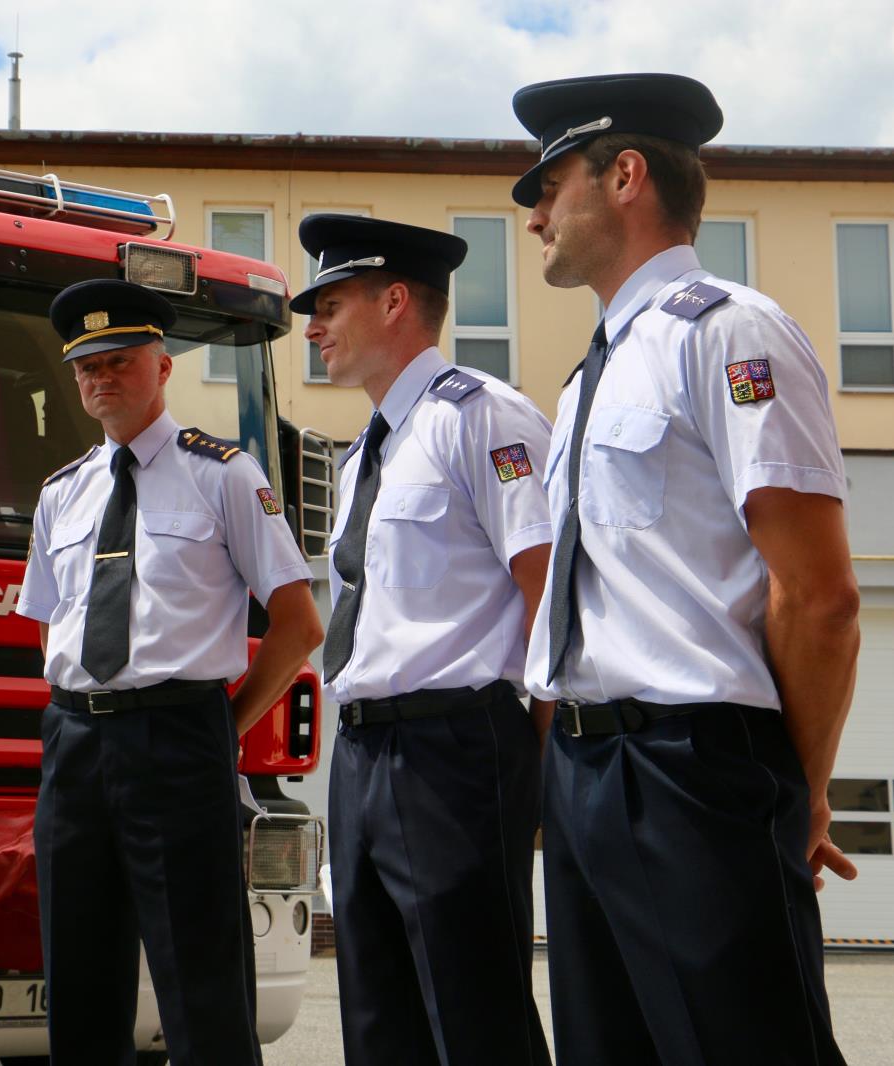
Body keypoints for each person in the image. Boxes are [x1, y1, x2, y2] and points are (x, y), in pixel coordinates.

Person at [512, 72, 860, 1066]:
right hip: (582, 772)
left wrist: (801, 786)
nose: (535, 215)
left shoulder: (730, 333)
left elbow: (820, 596)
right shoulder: (590, 377)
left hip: (694, 769)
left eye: (548, 184)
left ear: (624, 175)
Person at [16, 279, 323, 1066]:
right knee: (78, 981)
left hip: (178, 737)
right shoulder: (62, 491)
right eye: (86, 368)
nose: (100, 380)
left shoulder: (222, 475)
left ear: (163, 366)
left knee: (201, 984)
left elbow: (297, 627)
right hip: (75, 743)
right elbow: (52, 628)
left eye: (119, 361)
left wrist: (222, 726)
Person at [296, 215, 553, 1066]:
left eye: (329, 304)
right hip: (363, 755)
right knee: (378, 1018)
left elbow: (546, 588)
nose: (312, 327)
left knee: (473, 1014)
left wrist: (547, 764)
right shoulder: (362, 452)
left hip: (454, 748)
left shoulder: (483, 419)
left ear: (394, 300)